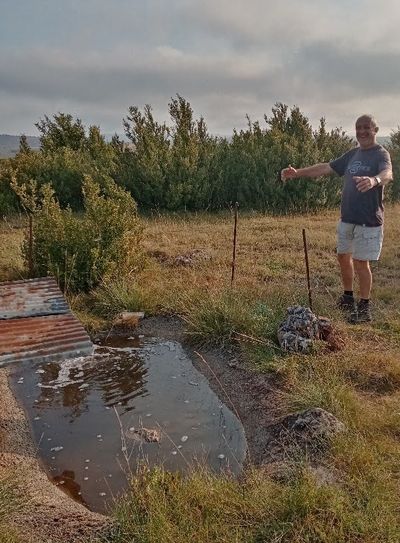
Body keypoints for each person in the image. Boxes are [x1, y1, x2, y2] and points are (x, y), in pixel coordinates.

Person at [281, 114, 393, 323]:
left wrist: (374, 180)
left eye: (366, 127)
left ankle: (364, 305)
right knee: (343, 257)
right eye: (358, 128)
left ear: (375, 130)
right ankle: (347, 297)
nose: (362, 131)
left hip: (368, 220)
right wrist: (297, 173)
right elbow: (326, 167)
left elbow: (388, 173)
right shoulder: (353, 154)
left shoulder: (381, 154)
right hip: (347, 217)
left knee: (361, 262)